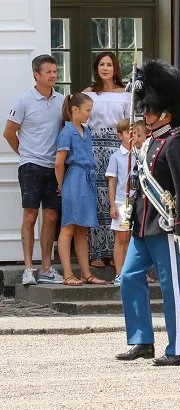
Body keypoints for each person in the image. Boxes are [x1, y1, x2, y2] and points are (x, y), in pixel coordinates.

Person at [116, 59, 180, 366]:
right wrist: (130, 214)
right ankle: (141, 339)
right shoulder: (149, 142)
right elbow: (139, 185)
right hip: (143, 224)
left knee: (170, 286)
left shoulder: (175, 143)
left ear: (167, 111)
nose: (146, 114)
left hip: (164, 223)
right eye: (145, 108)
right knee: (129, 277)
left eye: (151, 109)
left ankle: (177, 348)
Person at [3, 54, 65, 285]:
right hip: (30, 166)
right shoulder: (23, 102)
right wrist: (25, 154)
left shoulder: (61, 101)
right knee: (30, 216)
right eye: (48, 72)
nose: (53, 75)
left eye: (55, 71)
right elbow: (9, 132)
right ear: (36, 74)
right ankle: (29, 268)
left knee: (51, 216)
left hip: (53, 167)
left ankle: (47, 268)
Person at [83, 52, 131, 269]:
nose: (105, 68)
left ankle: (115, 253)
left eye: (109, 64)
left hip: (118, 148)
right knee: (97, 200)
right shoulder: (89, 93)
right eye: (101, 64)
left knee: (118, 198)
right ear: (96, 68)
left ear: (115, 68)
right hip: (94, 148)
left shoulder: (126, 94)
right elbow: (81, 122)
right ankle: (96, 252)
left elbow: (130, 123)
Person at [55, 93, 106, 286]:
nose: (89, 115)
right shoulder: (67, 132)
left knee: (82, 229)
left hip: (88, 181)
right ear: (74, 110)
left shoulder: (87, 131)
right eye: (87, 111)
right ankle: (68, 273)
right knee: (68, 227)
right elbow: (59, 163)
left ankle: (86, 273)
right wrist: (62, 185)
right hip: (74, 180)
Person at [106, 119, 150, 285]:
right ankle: (119, 272)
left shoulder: (140, 155)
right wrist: (112, 205)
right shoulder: (116, 157)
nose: (132, 137)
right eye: (128, 133)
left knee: (135, 239)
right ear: (120, 135)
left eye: (135, 134)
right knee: (121, 239)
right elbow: (112, 182)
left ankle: (133, 272)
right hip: (122, 202)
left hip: (137, 202)